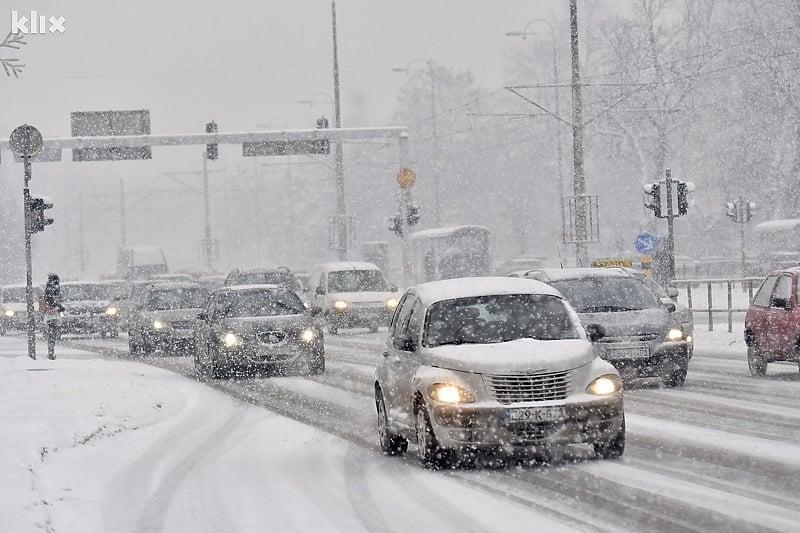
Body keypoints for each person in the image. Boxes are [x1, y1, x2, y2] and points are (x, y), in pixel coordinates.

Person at [39, 273, 65, 360]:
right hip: (52, 314)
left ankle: (51, 351)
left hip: (50, 315)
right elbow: (52, 301)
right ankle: (51, 352)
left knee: (51, 333)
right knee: (52, 333)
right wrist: (59, 307)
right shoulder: (53, 289)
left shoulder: (48, 288)